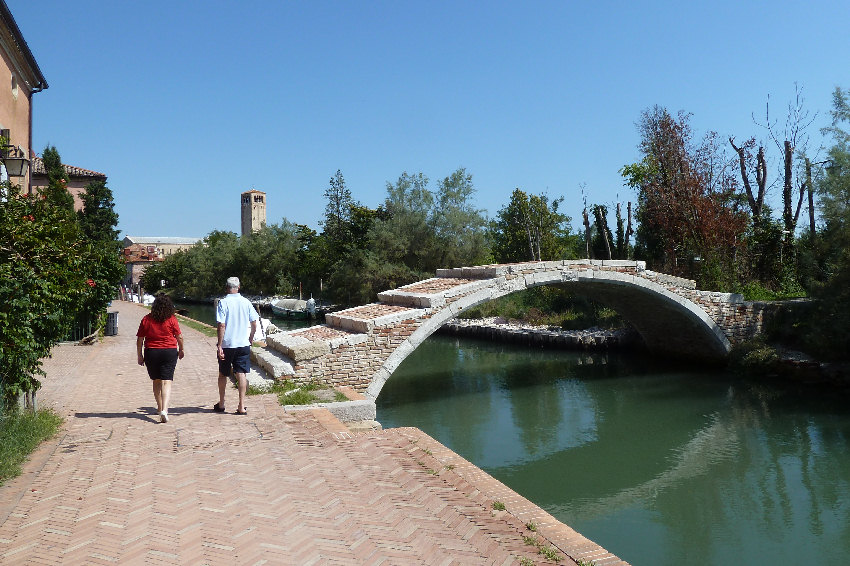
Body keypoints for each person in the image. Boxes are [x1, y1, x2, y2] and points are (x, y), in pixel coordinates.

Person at [136, 293, 184, 423]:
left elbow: (140, 339)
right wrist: (181, 349)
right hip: (169, 351)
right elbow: (179, 336)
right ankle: (165, 409)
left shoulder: (146, 319)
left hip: (152, 352)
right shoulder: (171, 319)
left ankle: (159, 406)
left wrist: (139, 355)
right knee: (166, 381)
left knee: (156, 381)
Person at [214, 276, 259, 415]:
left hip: (228, 344)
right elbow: (254, 323)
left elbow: (221, 325)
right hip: (243, 343)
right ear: (238, 287)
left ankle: (221, 403)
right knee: (241, 373)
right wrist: (250, 337)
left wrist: (220, 345)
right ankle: (241, 405)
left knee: (223, 374)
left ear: (227, 288)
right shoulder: (246, 302)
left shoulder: (223, 303)